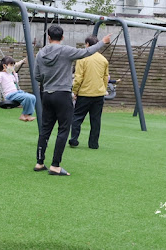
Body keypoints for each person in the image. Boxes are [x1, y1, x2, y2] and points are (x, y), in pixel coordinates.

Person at [34, 25, 111, 176]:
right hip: (63, 95)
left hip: (47, 95)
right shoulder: (65, 51)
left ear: (48, 37)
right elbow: (86, 52)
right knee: (63, 129)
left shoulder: (40, 53)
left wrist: (48, 78)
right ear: (62, 38)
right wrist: (102, 41)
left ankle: (39, 162)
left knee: (45, 130)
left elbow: (37, 76)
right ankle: (55, 166)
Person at [69, 35, 110, 149]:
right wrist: (104, 89)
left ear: (87, 44)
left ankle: (74, 139)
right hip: (99, 94)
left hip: (84, 93)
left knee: (77, 117)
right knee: (96, 120)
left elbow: (78, 78)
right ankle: (93, 144)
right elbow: (105, 77)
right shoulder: (103, 60)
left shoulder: (82, 59)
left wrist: (75, 91)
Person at [0, 56, 37, 121]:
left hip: (17, 93)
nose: (13, 67)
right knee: (28, 97)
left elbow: (16, 81)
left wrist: (14, 73)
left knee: (33, 97)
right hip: (10, 95)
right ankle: (24, 114)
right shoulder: (1, 74)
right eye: (11, 65)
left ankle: (27, 115)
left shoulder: (10, 74)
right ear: (4, 66)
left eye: (13, 65)